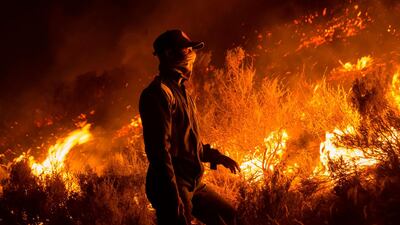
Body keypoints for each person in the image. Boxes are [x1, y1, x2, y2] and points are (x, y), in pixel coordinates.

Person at [139, 29, 240, 225]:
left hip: (192, 182)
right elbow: (159, 152)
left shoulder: (183, 93)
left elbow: (189, 142)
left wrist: (216, 157)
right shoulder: (158, 94)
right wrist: (172, 196)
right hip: (172, 185)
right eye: (186, 50)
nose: (192, 55)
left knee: (227, 216)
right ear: (168, 54)